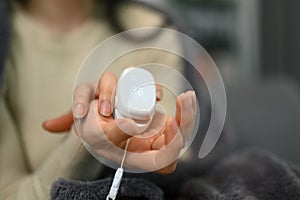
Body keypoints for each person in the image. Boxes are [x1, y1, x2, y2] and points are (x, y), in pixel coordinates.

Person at [0, 0, 196, 199]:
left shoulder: (151, 30)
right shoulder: (7, 39)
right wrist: (82, 143)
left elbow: (174, 167)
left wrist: (96, 137)